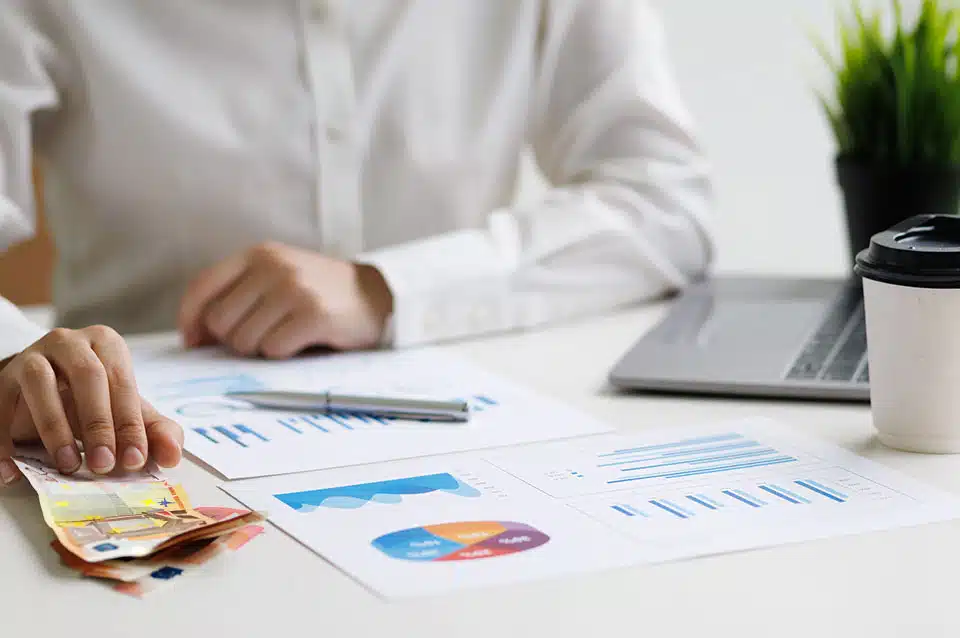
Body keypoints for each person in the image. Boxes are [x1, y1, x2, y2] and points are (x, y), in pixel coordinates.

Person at [0, 0, 715, 485]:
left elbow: (663, 198)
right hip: (131, 456)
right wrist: (11, 356)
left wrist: (387, 287)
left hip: (486, 449)